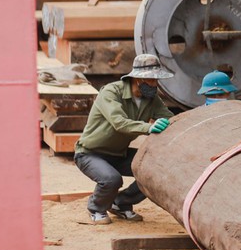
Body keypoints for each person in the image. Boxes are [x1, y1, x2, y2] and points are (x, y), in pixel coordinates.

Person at [74, 54, 173, 225]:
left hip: (119, 153)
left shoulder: (151, 98)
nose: (154, 84)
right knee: (111, 180)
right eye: (150, 79)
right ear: (137, 79)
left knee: (155, 171)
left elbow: (169, 118)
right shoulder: (111, 92)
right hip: (90, 154)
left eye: (156, 79)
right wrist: (148, 127)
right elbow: (119, 122)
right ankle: (96, 208)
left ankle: (120, 203)